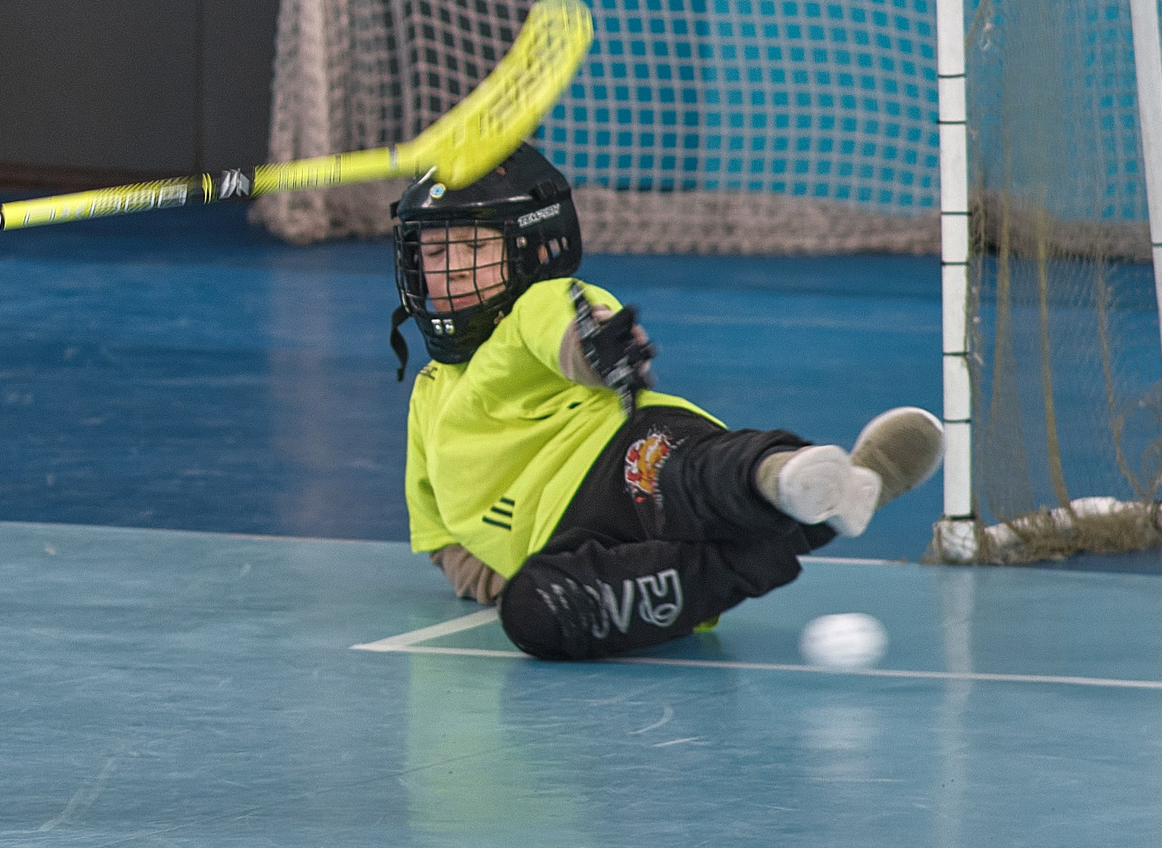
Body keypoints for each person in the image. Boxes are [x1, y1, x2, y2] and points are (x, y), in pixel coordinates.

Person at [392, 146, 942, 661]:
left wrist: (603, 350)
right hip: (582, 553)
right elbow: (443, 539)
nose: (454, 266)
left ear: (533, 248)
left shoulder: (534, 307)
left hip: (616, 459)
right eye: (435, 250)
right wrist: (506, 581)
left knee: (689, 473)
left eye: (473, 245)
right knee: (534, 616)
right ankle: (828, 507)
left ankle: (783, 477)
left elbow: (571, 333)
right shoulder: (427, 395)